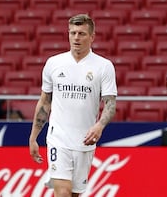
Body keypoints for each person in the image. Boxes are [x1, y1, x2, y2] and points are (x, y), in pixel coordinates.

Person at [29, 14, 117, 197]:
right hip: (58, 138)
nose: (76, 38)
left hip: (85, 140)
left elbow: (110, 104)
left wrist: (100, 125)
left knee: (74, 194)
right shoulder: (54, 63)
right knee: (62, 190)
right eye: (73, 33)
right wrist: (33, 137)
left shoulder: (104, 66)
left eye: (82, 34)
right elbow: (45, 102)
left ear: (92, 37)